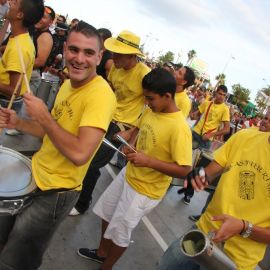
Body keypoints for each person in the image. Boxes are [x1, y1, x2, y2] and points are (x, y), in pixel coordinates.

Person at [0, 21, 116, 270]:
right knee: (4, 241)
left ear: (100, 56)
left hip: (57, 191)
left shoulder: (101, 95)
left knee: (17, 260)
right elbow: (49, 132)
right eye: (74, 49)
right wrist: (19, 122)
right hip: (36, 173)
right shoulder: (67, 85)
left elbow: (79, 153)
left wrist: (43, 116)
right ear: (65, 47)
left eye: (88, 52)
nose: (79, 58)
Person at [77, 68, 192, 270]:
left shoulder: (179, 128)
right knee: (107, 213)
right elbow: (139, 128)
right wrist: (127, 139)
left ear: (167, 96)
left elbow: (184, 170)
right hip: (129, 174)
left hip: (145, 190)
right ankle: (102, 253)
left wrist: (148, 161)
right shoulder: (151, 109)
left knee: (121, 231)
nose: (146, 102)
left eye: (150, 98)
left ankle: (107, 267)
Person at [156, 117, 270, 270]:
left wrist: (244, 227)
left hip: (235, 260)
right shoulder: (245, 137)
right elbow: (210, 172)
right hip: (203, 232)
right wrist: (199, 177)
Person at [69, 30, 150, 216]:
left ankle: (82, 203)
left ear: (132, 56)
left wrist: (131, 134)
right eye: (113, 51)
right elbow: (111, 89)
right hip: (105, 117)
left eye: (118, 53)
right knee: (81, 153)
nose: (113, 56)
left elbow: (150, 108)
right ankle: (72, 189)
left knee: (93, 164)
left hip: (122, 127)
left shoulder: (144, 74)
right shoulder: (115, 67)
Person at [178, 85, 230, 205]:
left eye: (224, 95)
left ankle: (188, 194)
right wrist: (193, 114)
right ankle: (173, 180)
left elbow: (227, 129)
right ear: (215, 93)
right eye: (220, 93)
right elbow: (196, 115)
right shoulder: (207, 103)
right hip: (195, 132)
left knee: (198, 169)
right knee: (182, 157)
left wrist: (212, 134)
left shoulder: (224, 109)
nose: (221, 97)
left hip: (206, 140)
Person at [0, 0, 43, 134]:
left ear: (19, 15)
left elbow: (14, 90)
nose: (10, 3)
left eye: (15, 3)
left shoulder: (20, 48)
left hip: (4, 102)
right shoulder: (19, 38)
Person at [29, 6, 55, 94]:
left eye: (43, 17)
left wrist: (17, 67)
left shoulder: (46, 36)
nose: (39, 18)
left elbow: (40, 61)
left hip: (29, 76)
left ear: (50, 22)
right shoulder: (33, 30)